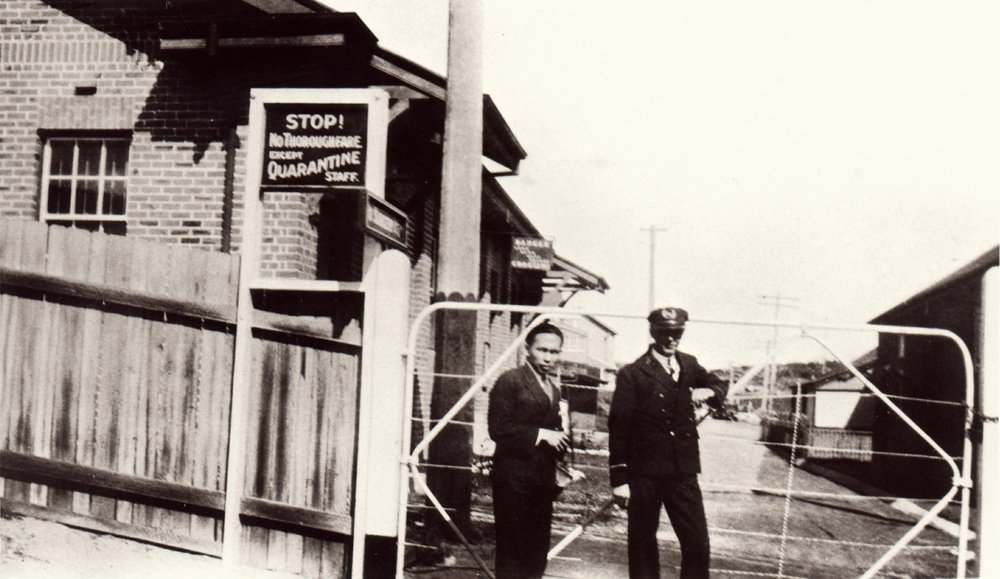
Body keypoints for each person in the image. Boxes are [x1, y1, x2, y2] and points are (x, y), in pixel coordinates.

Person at [608, 307, 728, 579]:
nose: (672, 339)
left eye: (677, 333)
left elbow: (718, 383)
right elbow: (619, 427)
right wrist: (619, 479)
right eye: (666, 333)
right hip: (644, 473)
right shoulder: (633, 373)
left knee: (697, 542)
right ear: (654, 333)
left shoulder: (689, 363)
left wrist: (710, 391)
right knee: (642, 545)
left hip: (682, 471)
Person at [488, 322, 569, 579]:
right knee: (513, 552)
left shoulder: (553, 390)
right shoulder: (510, 380)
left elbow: (555, 433)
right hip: (513, 480)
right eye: (542, 350)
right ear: (527, 349)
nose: (548, 357)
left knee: (537, 552)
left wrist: (562, 463)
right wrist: (542, 435)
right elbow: (498, 428)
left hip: (542, 481)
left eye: (554, 352)